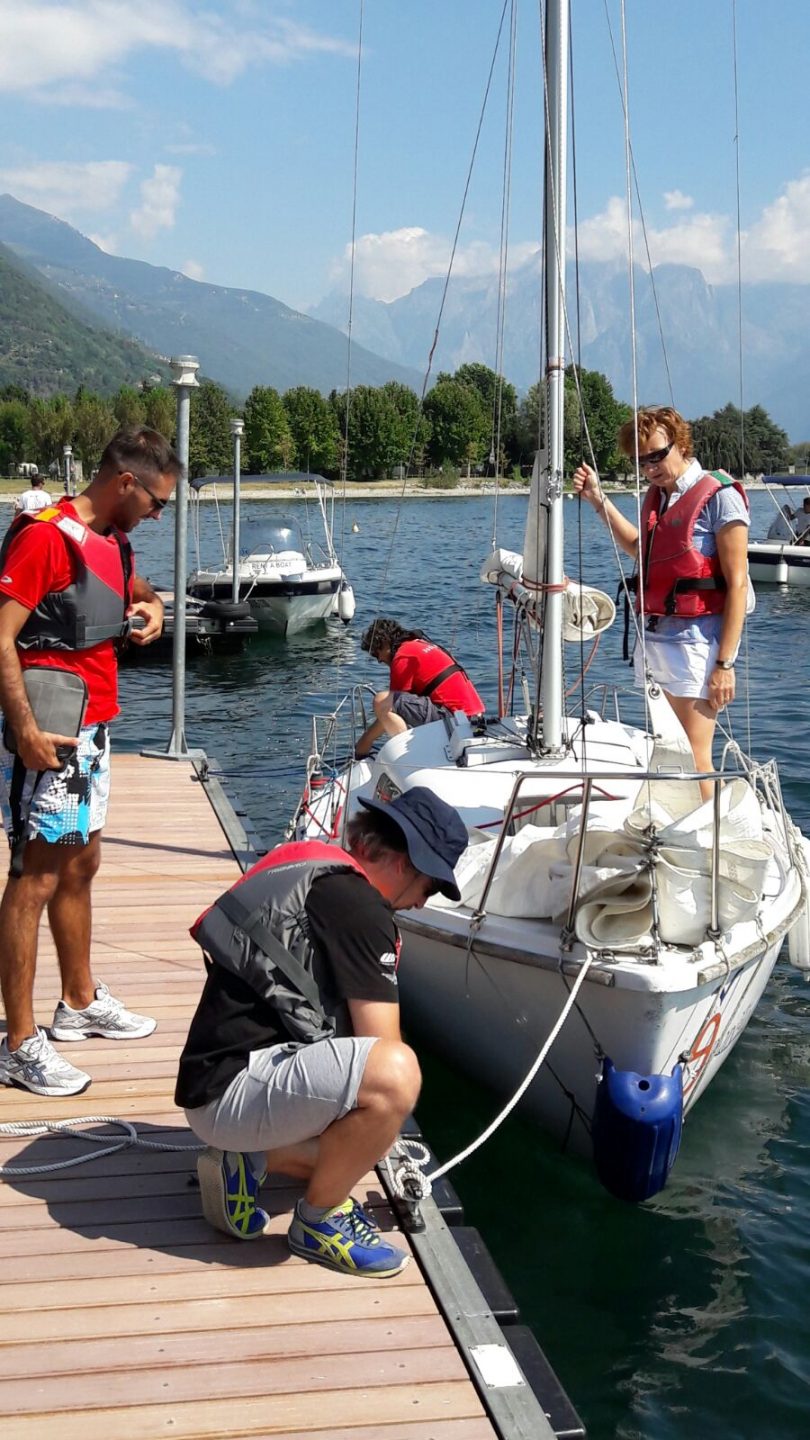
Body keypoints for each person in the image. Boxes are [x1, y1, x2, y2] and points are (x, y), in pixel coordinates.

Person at [176, 786, 469, 1278]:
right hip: (236, 1096)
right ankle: (318, 1222)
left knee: (355, 1149)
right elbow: (384, 1047)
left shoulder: (315, 869)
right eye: (430, 885)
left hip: (218, 1087)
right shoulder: (361, 909)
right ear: (403, 863)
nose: (422, 903)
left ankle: (248, 1158)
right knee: (397, 1075)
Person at [0, 426, 181, 1098]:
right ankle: (18, 1043)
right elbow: (1, 636)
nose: (159, 515)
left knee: (82, 863)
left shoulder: (112, 537)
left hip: (95, 723)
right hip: (51, 729)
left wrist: (153, 609)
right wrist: (22, 730)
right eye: (157, 502)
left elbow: (137, 588)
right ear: (125, 483)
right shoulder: (46, 536)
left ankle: (77, 1003)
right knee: (34, 877)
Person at [573, 407, 750, 800]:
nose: (650, 467)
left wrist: (725, 665)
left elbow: (738, 583)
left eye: (656, 455)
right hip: (655, 640)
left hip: (696, 644)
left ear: (680, 442)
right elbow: (642, 549)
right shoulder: (660, 498)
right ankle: (684, 830)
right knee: (669, 746)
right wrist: (598, 500)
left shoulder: (719, 496)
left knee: (694, 754)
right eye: (640, 461)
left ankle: (709, 842)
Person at [354, 618, 485, 760]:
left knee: (381, 701)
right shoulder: (420, 645)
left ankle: (406, 758)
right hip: (474, 719)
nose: (379, 660)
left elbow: (388, 708)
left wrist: (365, 741)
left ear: (385, 643)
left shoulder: (403, 656)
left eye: (375, 654)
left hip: (454, 720)